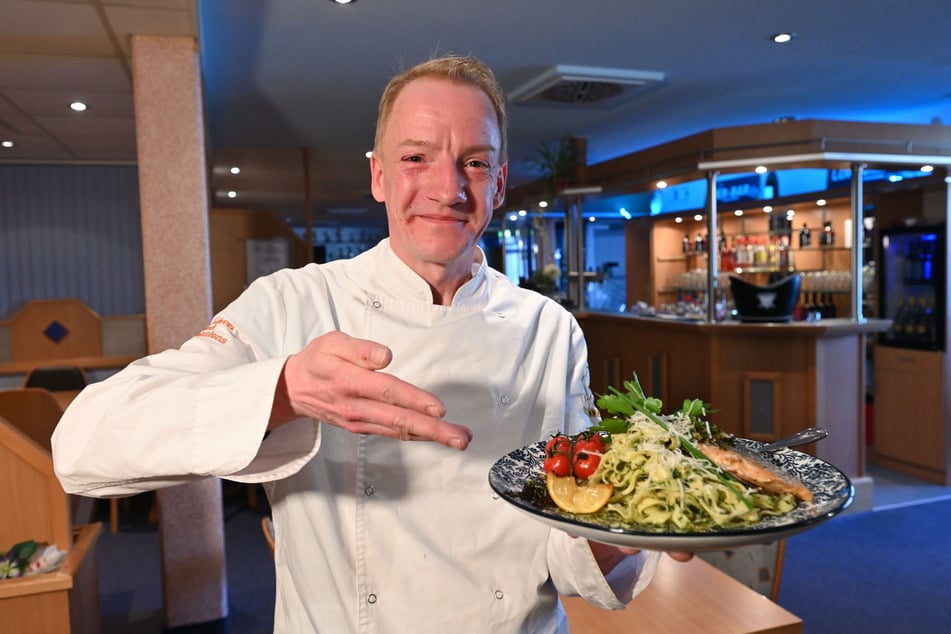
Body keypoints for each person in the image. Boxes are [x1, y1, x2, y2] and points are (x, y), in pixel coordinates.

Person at [52, 54, 684, 633]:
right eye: (416, 158)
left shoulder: (550, 328)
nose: (447, 188)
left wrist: (635, 529)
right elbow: (83, 445)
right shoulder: (293, 303)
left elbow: (565, 547)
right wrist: (284, 389)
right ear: (379, 176)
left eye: (474, 161)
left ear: (498, 182)